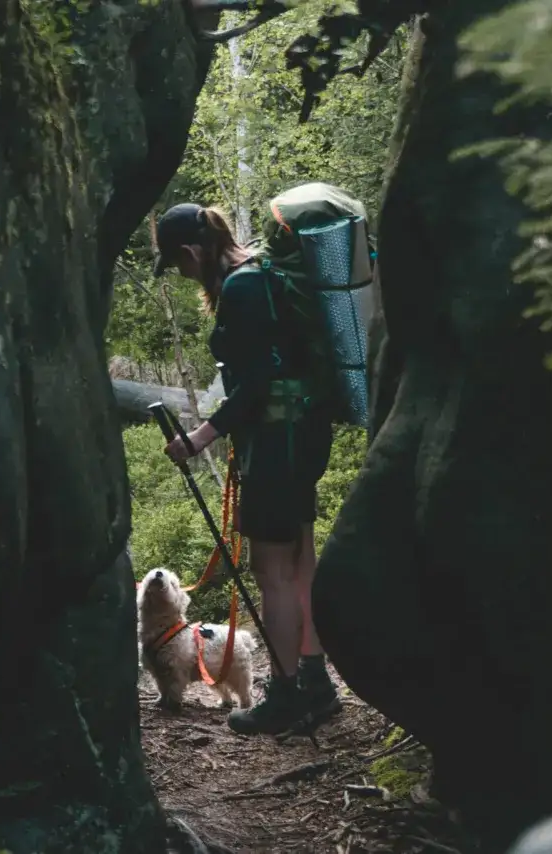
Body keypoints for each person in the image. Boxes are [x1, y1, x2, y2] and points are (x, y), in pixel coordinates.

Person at [152, 202, 343, 736]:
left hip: (276, 446)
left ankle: (286, 696)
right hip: (299, 435)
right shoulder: (264, 272)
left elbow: (255, 382)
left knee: (271, 572)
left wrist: (201, 437)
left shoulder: (240, 287)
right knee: (299, 562)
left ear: (191, 251)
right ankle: (315, 683)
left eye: (180, 265)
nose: (185, 274)